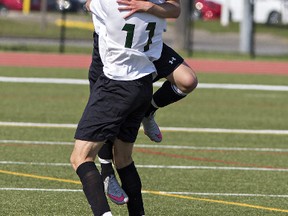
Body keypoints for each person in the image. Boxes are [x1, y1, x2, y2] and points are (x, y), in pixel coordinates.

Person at [86, 0, 198, 206]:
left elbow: (175, 8)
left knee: (188, 81)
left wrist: (148, 7)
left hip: (148, 43)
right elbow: (89, 4)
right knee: (108, 115)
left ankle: (148, 110)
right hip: (111, 45)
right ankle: (106, 171)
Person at [70, 0, 167, 215]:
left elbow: (86, 4)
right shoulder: (157, 7)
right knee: (123, 159)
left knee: (80, 158)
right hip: (143, 85)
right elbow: (172, 8)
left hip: (116, 85)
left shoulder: (107, 4)